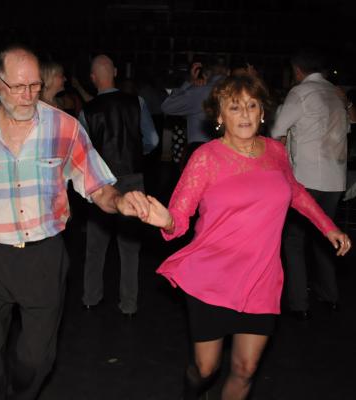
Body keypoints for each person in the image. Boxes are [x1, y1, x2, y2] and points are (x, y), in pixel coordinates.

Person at [0, 44, 149, 400]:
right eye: (18, 87)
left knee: (37, 358)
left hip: (43, 257)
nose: (28, 96)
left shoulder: (65, 128)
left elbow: (98, 187)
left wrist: (121, 201)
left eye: (35, 86)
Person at [139, 72, 351, 399]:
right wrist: (166, 221)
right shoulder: (206, 158)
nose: (245, 114)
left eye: (252, 106)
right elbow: (179, 217)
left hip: (261, 277)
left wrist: (328, 226)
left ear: (263, 112)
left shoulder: (275, 152)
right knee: (206, 369)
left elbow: (295, 192)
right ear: (219, 116)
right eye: (235, 107)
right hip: (211, 278)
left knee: (245, 369)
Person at [271, 48, 351, 319]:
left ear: (297, 70)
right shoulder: (336, 93)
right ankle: (330, 296)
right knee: (325, 236)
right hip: (335, 179)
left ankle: (299, 303)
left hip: (306, 179)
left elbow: (276, 130)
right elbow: (347, 128)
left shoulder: (301, 93)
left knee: (294, 240)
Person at [78, 54, 159, 316]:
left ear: (93, 78)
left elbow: (82, 153)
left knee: (95, 247)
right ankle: (129, 304)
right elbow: (153, 140)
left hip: (100, 183)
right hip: (132, 178)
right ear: (114, 71)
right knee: (130, 249)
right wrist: (135, 151)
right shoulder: (137, 102)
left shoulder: (87, 111)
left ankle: (91, 297)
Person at [161, 57, 228, 165]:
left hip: (202, 152)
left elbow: (167, 107)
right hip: (230, 151)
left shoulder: (201, 91)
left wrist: (189, 83)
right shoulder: (237, 91)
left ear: (206, 72)